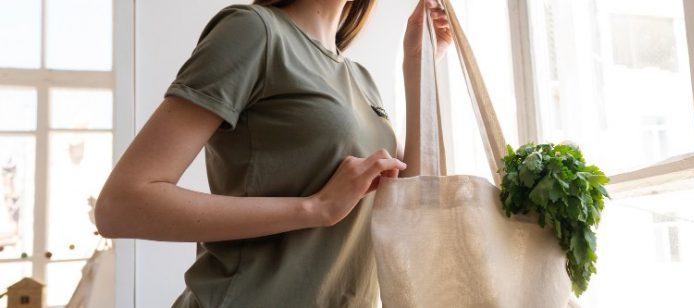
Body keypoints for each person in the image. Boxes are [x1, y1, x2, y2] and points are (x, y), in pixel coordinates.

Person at [94, 0, 452, 306]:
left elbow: (412, 199)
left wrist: (418, 62)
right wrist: (315, 208)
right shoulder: (253, 31)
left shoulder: (360, 77)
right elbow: (121, 205)